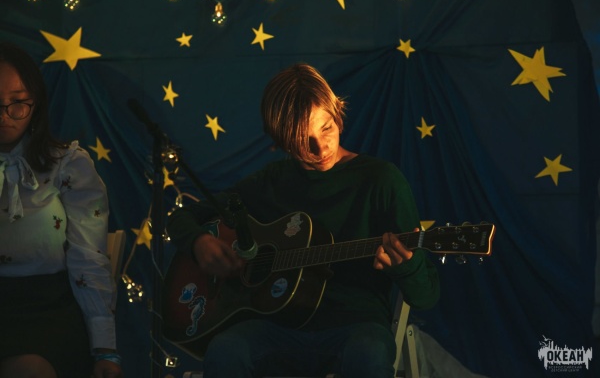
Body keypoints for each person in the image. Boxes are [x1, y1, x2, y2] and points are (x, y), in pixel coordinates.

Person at [167, 63, 440, 378]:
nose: (320, 147)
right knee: (226, 351)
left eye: (326, 128)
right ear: (280, 141)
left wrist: (406, 266)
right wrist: (199, 242)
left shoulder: (381, 180)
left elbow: (426, 297)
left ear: (338, 116)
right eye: (301, 139)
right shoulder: (270, 182)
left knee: (370, 353)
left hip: (355, 326)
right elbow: (181, 218)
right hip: (275, 328)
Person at [0, 42, 123, 378]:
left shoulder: (67, 164)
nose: (5, 115)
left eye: (17, 103)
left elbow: (89, 256)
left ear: (35, 103)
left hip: (46, 309)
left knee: (30, 370)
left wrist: (105, 347)